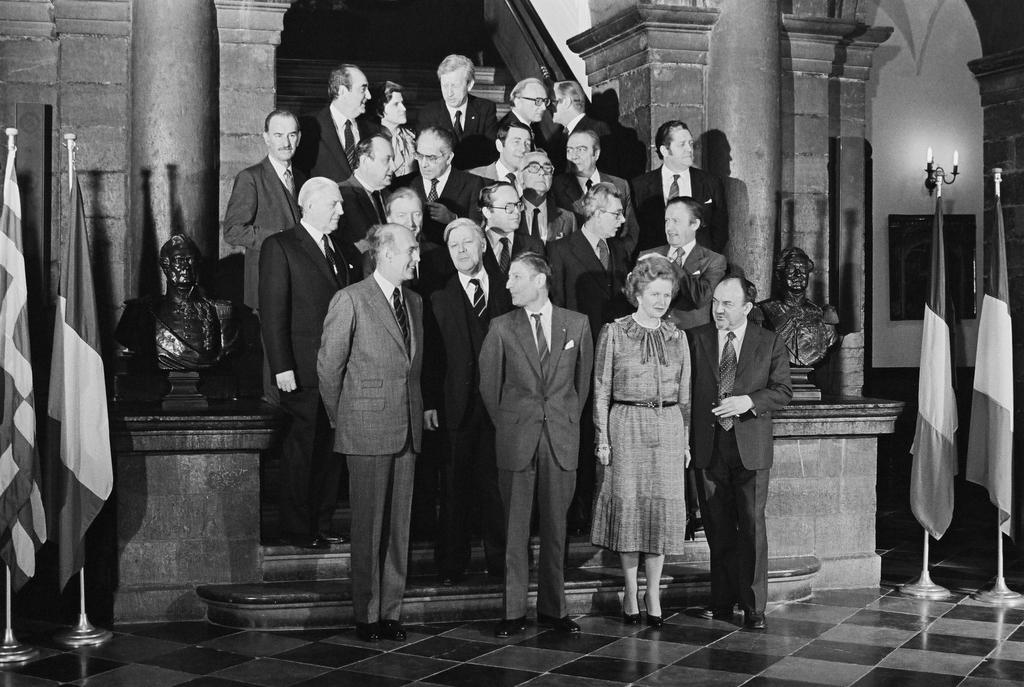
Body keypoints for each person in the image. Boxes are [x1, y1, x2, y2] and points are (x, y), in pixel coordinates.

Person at [317, 223, 424, 643]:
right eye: (411, 250)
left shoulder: (413, 301)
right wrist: (343, 418)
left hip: (407, 429)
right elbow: (329, 368)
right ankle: (366, 615)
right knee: (368, 527)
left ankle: (390, 612)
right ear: (386, 254)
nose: (417, 257)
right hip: (366, 429)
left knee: (399, 529)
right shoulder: (350, 299)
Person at [479, 252, 593, 638]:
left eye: (515, 277)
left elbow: (582, 384)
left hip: (561, 438)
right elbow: (489, 387)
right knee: (514, 530)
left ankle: (553, 610)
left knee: (556, 529)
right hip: (517, 439)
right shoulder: (501, 327)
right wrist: (513, 424)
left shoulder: (577, 324)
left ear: (540, 280)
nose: (508, 284)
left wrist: (561, 421)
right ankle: (512, 611)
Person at [591, 255, 691, 627]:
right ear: (637, 293)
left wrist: (684, 440)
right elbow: (601, 390)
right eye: (654, 293)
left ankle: (653, 593)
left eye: (666, 294)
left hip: (666, 426)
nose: (661, 301)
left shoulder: (678, 337)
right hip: (626, 424)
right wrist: (603, 438)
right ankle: (631, 592)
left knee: (661, 511)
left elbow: (686, 396)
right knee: (630, 509)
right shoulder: (614, 332)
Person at [259, 177, 358, 550]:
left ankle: (322, 522)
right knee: (301, 451)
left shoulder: (342, 250)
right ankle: (298, 528)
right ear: (310, 205)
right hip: (300, 370)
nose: (341, 210)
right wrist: (281, 367)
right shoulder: (281, 246)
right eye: (334, 204)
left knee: (331, 452)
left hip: (339, 372)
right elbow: (273, 311)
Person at [690, 276, 792, 630]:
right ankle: (721, 601)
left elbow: (782, 391)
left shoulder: (769, 341)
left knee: (751, 528)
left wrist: (748, 401)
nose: (718, 309)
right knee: (717, 528)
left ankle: (753, 606)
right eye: (716, 302)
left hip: (750, 447)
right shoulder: (697, 339)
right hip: (709, 447)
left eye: (727, 304)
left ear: (747, 308)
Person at [423, 218, 511, 585]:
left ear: (484, 246)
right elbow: (429, 356)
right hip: (454, 407)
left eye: (467, 243)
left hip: (500, 410)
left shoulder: (508, 292)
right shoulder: (437, 296)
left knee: (497, 490)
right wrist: (429, 403)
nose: (461, 250)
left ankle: (501, 563)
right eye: (454, 245)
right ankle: (451, 565)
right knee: (455, 489)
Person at [548, 182, 633, 534]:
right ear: (595, 213)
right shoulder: (560, 251)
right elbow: (557, 305)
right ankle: (576, 512)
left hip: (613, 357)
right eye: (615, 214)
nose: (621, 220)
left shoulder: (621, 252)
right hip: (577, 358)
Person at [116, 234, 238, 372]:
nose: (186, 266)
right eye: (179, 260)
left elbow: (227, 350)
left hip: (207, 382)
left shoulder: (220, 311)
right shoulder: (139, 312)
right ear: (165, 265)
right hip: (160, 381)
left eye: (190, 260)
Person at [223, 109, 305, 312]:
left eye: (292, 135)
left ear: (299, 138)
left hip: (299, 282)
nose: (286, 143)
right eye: (278, 135)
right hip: (266, 281)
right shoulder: (250, 177)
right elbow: (232, 230)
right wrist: (278, 239)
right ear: (266, 138)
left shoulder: (303, 178)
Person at [632, 120, 728, 253]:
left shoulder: (710, 183)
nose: (689, 149)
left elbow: (720, 230)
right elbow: (633, 233)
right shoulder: (639, 186)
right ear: (664, 150)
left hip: (699, 267)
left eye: (690, 143)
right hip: (655, 266)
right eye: (682, 145)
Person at [641, 196, 727, 330]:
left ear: (695, 224)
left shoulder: (714, 260)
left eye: (676, 221)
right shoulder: (646, 256)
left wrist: (670, 263)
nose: (669, 227)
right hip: (652, 335)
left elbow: (700, 297)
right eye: (667, 221)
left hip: (691, 338)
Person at [392, 126, 485, 247]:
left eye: (432, 158)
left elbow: (478, 232)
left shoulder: (472, 184)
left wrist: (453, 219)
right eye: (419, 156)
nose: (424, 164)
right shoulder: (403, 184)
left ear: (449, 157)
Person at [551, 129, 638, 255]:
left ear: (596, 154)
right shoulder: (556, 186)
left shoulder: (620, 185)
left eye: (581, 149)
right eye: (569, 150)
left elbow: (630, 232)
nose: (574, 156)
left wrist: (615, 258)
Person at [757, 247, 839, 367]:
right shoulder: (764, 310)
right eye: (791, 269)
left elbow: (830, 342)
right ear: (779, 275)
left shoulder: (820, 315)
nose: (798, 274)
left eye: (803, 269)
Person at [294, 63, 377, 182]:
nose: (369, 96)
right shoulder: (307, 127)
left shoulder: (373, 130)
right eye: (363, 89)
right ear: (342, 91)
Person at [415, 54, 499, 170]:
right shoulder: (428, 114)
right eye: (445, 86)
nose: (449, 93)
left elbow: (491, 152)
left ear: (470, 85)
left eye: (454, 86)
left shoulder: (485, 109)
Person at [337, 135, 394, 251]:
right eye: (386, 160)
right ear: (365, 161)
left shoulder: (389, 195)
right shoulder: (341, 195)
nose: (393, 167)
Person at [479, 181, 544, 282]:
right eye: (508, 207)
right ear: (487, 212)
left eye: (518, 205)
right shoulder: (473, 242)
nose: (517, 212)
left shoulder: (534, 245)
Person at [549, 80, 611, 174]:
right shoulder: (558, 138)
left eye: (552, 101)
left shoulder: (596, 128)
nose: (548, 107)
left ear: (566, 102)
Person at [518, 150, 576, 244]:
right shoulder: (509, 212)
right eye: (534, 167)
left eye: (547, 168)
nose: (542, 172)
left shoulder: (568, 218)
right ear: (520, 177)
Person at [499, 77, 556, 160]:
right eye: (538, 101)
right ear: (517, 101)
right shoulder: (508, 129)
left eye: (545, 101)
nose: (544, 107)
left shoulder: (532, 126)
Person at [468, 121, 533, 192]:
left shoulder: (535, 178)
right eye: (516, 142)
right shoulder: (474, 177)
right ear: (499, 145)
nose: (523, 149)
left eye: (527, 143)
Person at [374, 81, 417, 177]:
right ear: (380, 110)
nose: (404, 108)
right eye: (396, 104)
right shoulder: (372, 140)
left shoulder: (412, 136)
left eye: (402, 103)